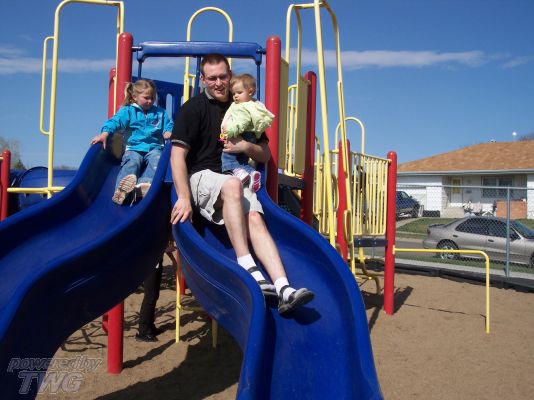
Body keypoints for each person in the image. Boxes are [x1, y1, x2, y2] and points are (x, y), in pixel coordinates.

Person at [169, 54, 314, 314]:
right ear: (202, 79)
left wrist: (245, 146)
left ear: (230, 75)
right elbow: (177, 155)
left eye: (223, 76)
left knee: (255, 218)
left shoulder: (244, 106)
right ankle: (247, 265)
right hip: (203, 177)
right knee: (233, 185)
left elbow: (264, 155)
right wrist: (183, 197)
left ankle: (284, 288)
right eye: (212, 78)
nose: (218, 83)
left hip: (234, 175)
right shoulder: (193, 108)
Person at [91, 79, 174, 205]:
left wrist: (168, 131)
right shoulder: (128, 111)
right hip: (134, 147)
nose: (150, 101)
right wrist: (105, 133)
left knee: (157, 161)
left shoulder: (159, 113)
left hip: (154, 148)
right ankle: (121, 190)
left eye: (152, 98)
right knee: (132, 162)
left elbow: (168, 124)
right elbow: (115, 121)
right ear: (135, 97)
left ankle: (143, 186)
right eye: (146, 98)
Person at [220, 73, 274, 192]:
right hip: (252, 136)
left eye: (239, 92)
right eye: (233, 93)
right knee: (242, 160)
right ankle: (251, 173)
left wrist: (227, 133)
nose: (235, 96)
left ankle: (238, 171)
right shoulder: (256, 104)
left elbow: (239, 122)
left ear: (250, 91)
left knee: (228, 157)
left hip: (238, 134)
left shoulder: (240, 106)